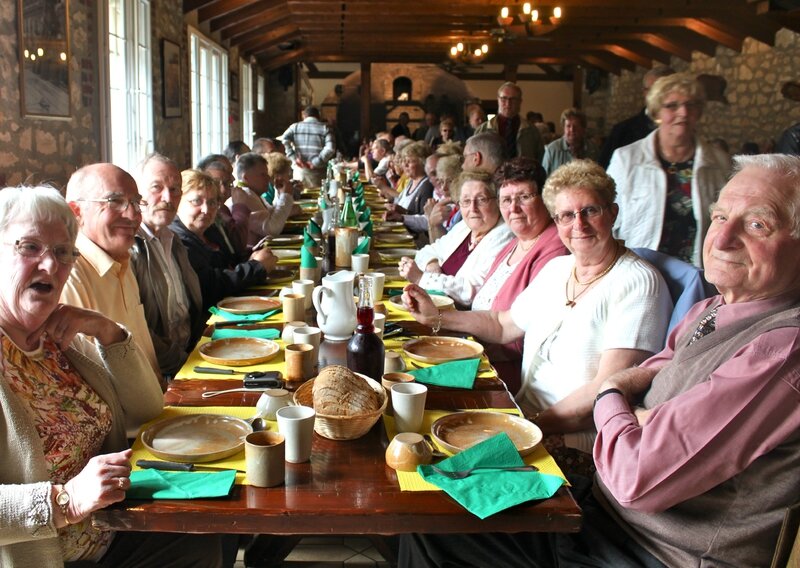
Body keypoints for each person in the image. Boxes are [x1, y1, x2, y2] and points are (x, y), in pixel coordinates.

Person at [401, 153, 800, 568]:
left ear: (612, 212)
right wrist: (438, 317)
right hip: (604, 512)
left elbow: (630, 454)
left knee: (434, 524)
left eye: (757, 224)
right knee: (426, 504)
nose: (722, 239)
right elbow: (645, 375)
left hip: (652, 549)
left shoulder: (779, 350)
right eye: (719, 217)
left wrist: (612, 397)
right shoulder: (713, 309)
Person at [0, 186, 223, 567]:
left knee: (214, 532)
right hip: (55, 555)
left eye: (62, 252)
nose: (50, 266)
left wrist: (106, 330)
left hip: (116, 529)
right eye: (30, 247)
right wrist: (64, 501)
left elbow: (148, 406)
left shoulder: (60, 344)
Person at [403, 160, 671, 459]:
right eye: (567, 215)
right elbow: (502, 323)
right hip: (524, 413)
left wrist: (529, 426)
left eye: (590, 211)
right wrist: (437, 316)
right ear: (557, 221)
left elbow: (606, 390)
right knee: (416, 421)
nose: (578, 225)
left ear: (613, 213)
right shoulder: (560, 268)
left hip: (576, 438)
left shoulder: (638, 281)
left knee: (445, 460)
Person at [608, 73, 731, 267]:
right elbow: (609, 221)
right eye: (672, 106)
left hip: (698, 275)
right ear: (656, 112)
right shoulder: (626, 160)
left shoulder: (719, 163)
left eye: (690, 105)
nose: (683, 112)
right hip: (641, 272)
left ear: (699, 112)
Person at [471, 158, 570, 393]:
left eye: (524, 197)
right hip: (480, 355)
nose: (513, 208)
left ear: (545, 199)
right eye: (506, 199)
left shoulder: (555, 248)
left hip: (505, 376)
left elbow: (525, 336)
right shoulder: (516, 243)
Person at [62, 163, 160, 380]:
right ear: (76, 211)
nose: (134, 214)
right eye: (115, 201)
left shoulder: (122, 259)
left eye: (136, 202)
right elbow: (88, 379)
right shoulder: (69, 274)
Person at [130, 154, 205, 378]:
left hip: (190, 357)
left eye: (175, 189)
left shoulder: (174, 241)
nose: (168, 197)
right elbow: (139, 333)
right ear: (136, 194)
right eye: (156, 187)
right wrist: (184, 365)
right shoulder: (130, 249)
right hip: (162, 373)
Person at [399, 171, 513, 306]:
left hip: (459, 321)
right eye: (466, 201)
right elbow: (427, 251)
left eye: (482, 199)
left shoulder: (505, 234)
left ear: (497, 201)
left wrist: (421, 278)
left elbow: (472, 291)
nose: (473, 208)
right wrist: (432, 263)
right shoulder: (465, 227)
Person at [172, 169, 277, 309]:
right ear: (177, 202)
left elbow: (229, 263)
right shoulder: (178, 241)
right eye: (196, 201)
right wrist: (257, 266)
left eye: (211, 202)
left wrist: (252, 256)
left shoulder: (211, 230)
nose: (206, 209)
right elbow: (211, 287)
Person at [598, 66, 675, 168]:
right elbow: (601, 176)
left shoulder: (686, 132)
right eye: (656, 91)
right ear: (645, 93)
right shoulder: (622, 132)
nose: (662, 96)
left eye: (668, 90)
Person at [231, 152, 295, 244]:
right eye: (263, 175)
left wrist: (280, 193)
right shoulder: (245, 195)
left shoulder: (252, 193)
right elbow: (272, 229)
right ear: (246, 177)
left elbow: (272, 214)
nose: (268, 178)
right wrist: (286, 196)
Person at [475, 82, 544, 162]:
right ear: (498, 100)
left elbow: (540, 160)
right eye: (504, 99)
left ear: (520, 102)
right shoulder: (482, 130)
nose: (508, 104)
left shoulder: (532, 132)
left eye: (513, 99)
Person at [197, 154, 249, 259]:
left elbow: (232, 251)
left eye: (226, 182)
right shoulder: (202, 215)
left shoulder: (221, 209)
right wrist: (239, 206)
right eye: (215, 182)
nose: (223, 190)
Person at [384, 141, 436, 241]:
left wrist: (403, 213)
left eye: (410, 161)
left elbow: (426, 221)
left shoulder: (427, 186)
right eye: (404, 161)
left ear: (423, 163)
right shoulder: (411, 182)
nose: (405, 165)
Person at [281, 105, 336, 188]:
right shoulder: (325, 128)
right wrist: (316, 162)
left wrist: (293, 157)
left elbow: (283, 140)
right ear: (318, 116)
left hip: (300, 171)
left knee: (299, 197)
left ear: (304, 115)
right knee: (319, 198)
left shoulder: (294, 127)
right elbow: (330, 149)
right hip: (318, 173)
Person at [542, 107, 599, 176]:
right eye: (568, 126)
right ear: (563, 128)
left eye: (576, 126)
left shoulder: (592, 149)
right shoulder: (552, 150)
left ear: (583, 128)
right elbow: (543, 179)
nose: (572, 130)